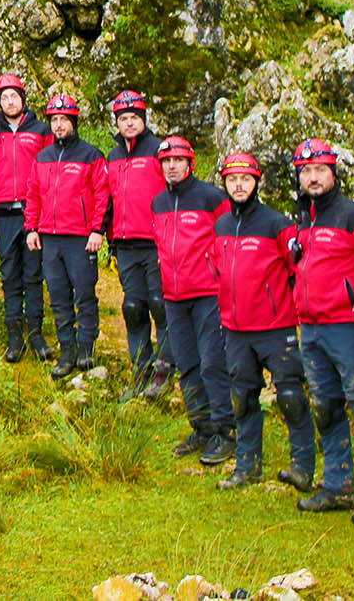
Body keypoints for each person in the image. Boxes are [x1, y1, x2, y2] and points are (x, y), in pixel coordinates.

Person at [290, 138, 354, 520]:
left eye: (320, 170)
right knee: (325, 407)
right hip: (311, 327)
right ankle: (338, 486)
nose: (313, 178)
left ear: (334, 173)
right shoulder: (304, 221)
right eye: (307, 171)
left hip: (350, 326)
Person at [211, 151, 314, 494]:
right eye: (232, 180)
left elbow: (299, 267)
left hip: (275, 327)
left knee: (290, 397)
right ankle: (247, 466)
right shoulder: (222, 225)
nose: (238, 186)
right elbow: (218, 269)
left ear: (257, 182)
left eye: (245, 179)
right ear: (224, 183)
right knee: (242, 398)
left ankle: (302, 467)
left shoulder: (277, 224)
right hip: (236, 330)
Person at [150, 136, 236, 468]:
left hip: (208, 293)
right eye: (166, 161)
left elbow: (228, 240)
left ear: (190, 163)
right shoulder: (157, 202)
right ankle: (200, 426)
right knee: (186, 364)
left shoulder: (212, 197)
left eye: (177, 160)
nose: (171, 166)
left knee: (213, 363)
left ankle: (225, 432)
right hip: (174, 295)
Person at [25, 94, 107, 378]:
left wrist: (97, 229)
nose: (59, 125)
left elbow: (102, 195)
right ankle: (67, 349)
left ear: (74, 121)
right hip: (50, 236)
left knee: (84, 293)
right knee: (58, 296)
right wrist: (31, 228)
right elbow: (33, 194)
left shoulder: (91, 155)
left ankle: (86, 347)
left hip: (81, 237)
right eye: (55, 120)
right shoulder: (43, 157)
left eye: (64, 120)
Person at [103, 89, 170, 397]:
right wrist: (108, 237)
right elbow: (109, 199)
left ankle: (165, 367)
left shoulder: (159, 150)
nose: (128, 123)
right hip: (125, 242)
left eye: (133, 118)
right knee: (133, 307)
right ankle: (140, 368)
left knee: (161, 305)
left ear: (143, 119)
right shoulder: (113, 156)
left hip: (156, 242)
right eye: (123, 118)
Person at [0, 74, 51, 363]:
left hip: (32, 211)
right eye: (4, 97)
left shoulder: (40, 130)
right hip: (3, 212)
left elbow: (49, 170)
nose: (10, 101)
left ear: (23, 98)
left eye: (14, 96)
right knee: (10, 274)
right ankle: (14, 336)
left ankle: (35, 332)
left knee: (33, 274)